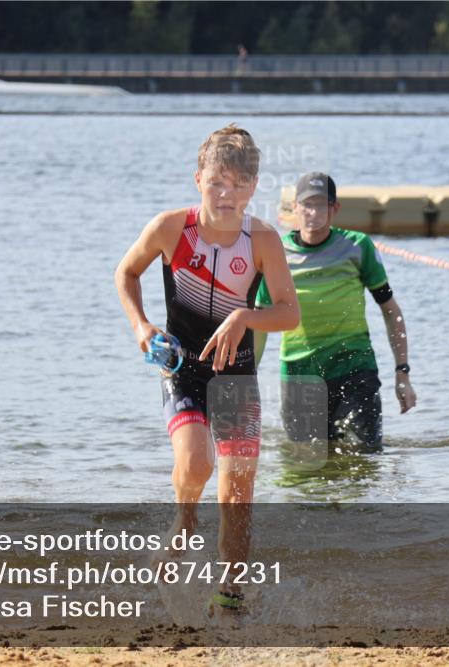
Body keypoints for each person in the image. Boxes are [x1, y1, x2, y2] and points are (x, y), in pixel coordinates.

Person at [115, 125, 299, 615]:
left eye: (238, 184)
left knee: (238, 493)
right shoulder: (171, 229)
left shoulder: (262, 240)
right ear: (198, 179)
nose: (226, 194)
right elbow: (126, 273)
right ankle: (184, 521)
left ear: (254, 187)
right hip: (182, 365)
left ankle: (230, 597)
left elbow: (289, 312)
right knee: (197, 463)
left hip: (236, 373)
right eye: (217, 182)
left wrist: (245, 317)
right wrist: (141, 326)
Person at [255, 172, 416, 454]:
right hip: (299, 376)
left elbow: (391, 311)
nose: (313, 212)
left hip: (354, 369)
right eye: (307, 205)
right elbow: (257, 322)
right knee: (304, 468)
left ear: (335, 209)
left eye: (321, 205)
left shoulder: (357, 247)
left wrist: (402, 373)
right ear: (295, 208)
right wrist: (246, 380)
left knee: (364, 458)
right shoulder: (276, 252)